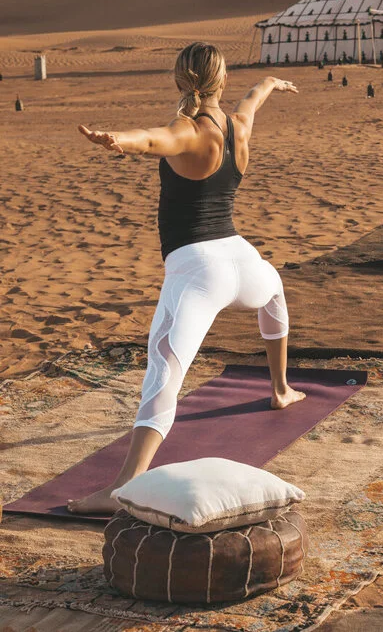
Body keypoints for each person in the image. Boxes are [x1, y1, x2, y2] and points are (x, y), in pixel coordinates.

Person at [68, 42, 305, 514]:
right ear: (222, 80)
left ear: (181, 81)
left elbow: (154, 138)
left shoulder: (190, 130)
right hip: (242, 259)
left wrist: (120, 139)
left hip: (198, 272)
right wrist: (272, 84)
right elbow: (253, 98)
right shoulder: (238, 125)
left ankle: (122, 489)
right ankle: (280, 389)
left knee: (164, 371)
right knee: (274, 292)